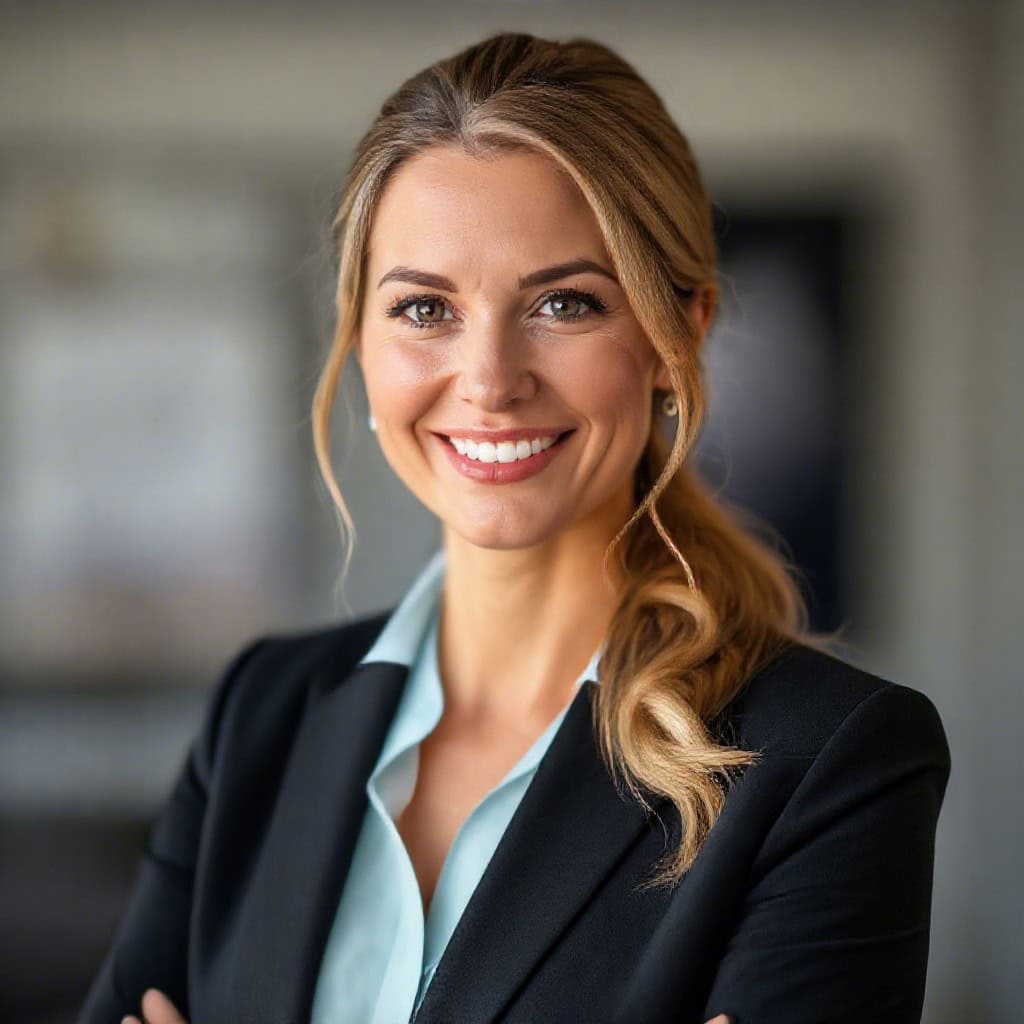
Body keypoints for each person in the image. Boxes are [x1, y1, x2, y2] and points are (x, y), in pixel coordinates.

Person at [79, 32, 950, 1024]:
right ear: (359, 340)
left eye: (564, 302)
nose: (490, 379)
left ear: (678, 338)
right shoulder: (262, 715)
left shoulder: (831, 763)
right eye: (423, 308)